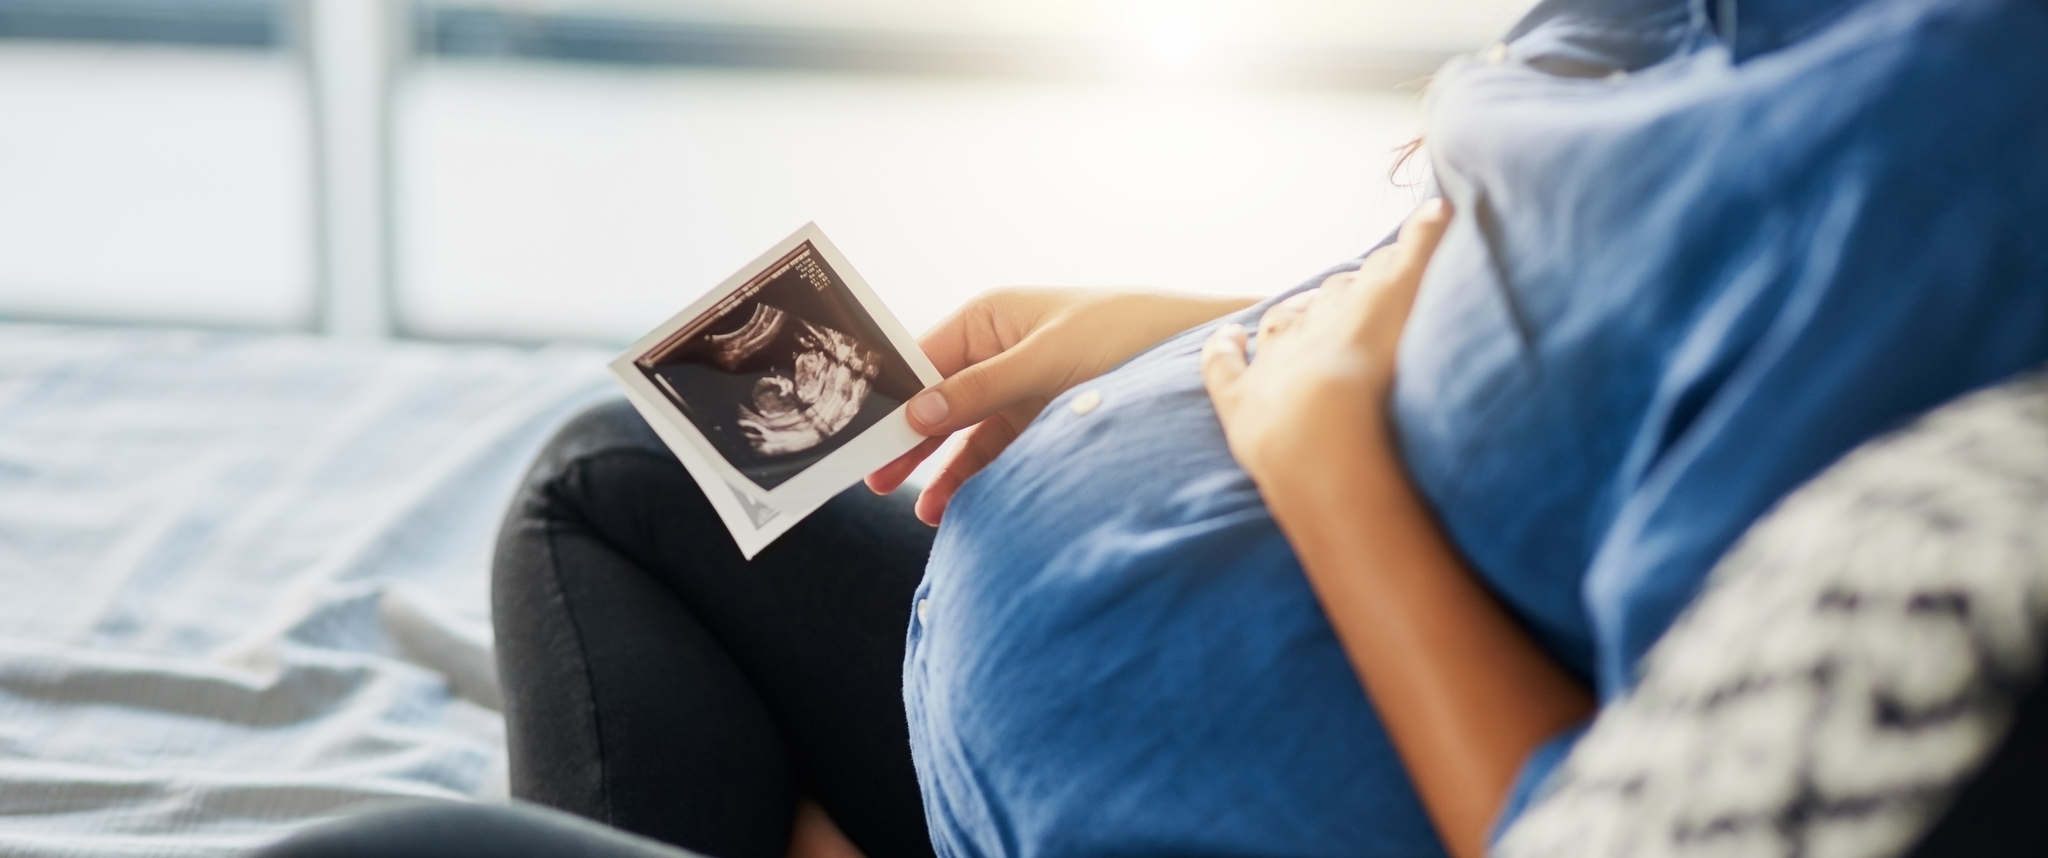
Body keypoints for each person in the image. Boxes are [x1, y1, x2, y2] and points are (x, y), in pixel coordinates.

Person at [252, 0, 2048, 855]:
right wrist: (1208, 328)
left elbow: (1639, 820)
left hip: (1250, 784)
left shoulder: (1949, 145)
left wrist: (1327, 447)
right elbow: (1568, 320)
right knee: (622, 477)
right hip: (1066, 725)